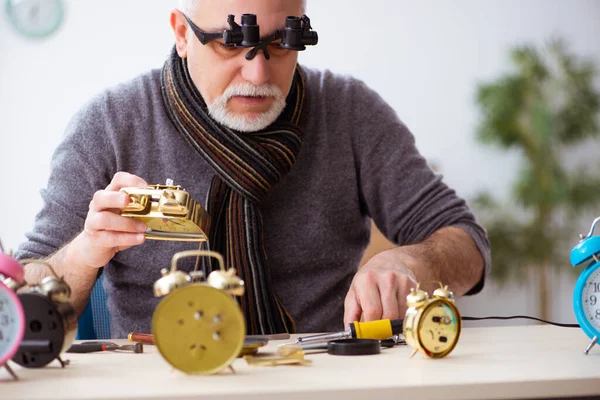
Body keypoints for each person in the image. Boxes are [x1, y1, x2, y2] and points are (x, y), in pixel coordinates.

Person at [16, 0, 490, 337]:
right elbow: (27, 299)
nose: (259, 74)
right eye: (230, 42)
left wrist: (412, 262)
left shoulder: (349, 112)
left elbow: (467, 243)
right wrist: (82, 254)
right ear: (182, 34)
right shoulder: (111, 124)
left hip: (320, 382)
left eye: (283, 42)